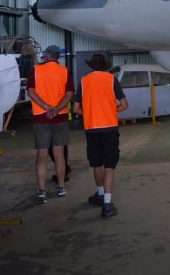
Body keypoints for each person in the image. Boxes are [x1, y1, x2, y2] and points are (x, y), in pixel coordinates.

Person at [73, 53, 128, 218]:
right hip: (110, 128)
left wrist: (89, 115)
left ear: (91, 67)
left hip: (92, 128)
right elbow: (124, 105)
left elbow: (76, 109)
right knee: (109, 166)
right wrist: (111, 111)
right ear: (105, 66)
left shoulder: (84, 81)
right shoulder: (111, 79)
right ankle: (107, 205)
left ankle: (100, 194)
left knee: (97, 163)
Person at [27, 45, 74, 204]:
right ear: (58, 57)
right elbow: (69, 94)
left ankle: (42, 190)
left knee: (42, 154)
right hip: (59, 117)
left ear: (47, 55)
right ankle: (61, 187)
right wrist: (57, 109)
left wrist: (46, 107)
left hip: (41, 117)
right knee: (59, 153)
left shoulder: (36, 70)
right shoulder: (65, 71)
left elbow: (31, 92)